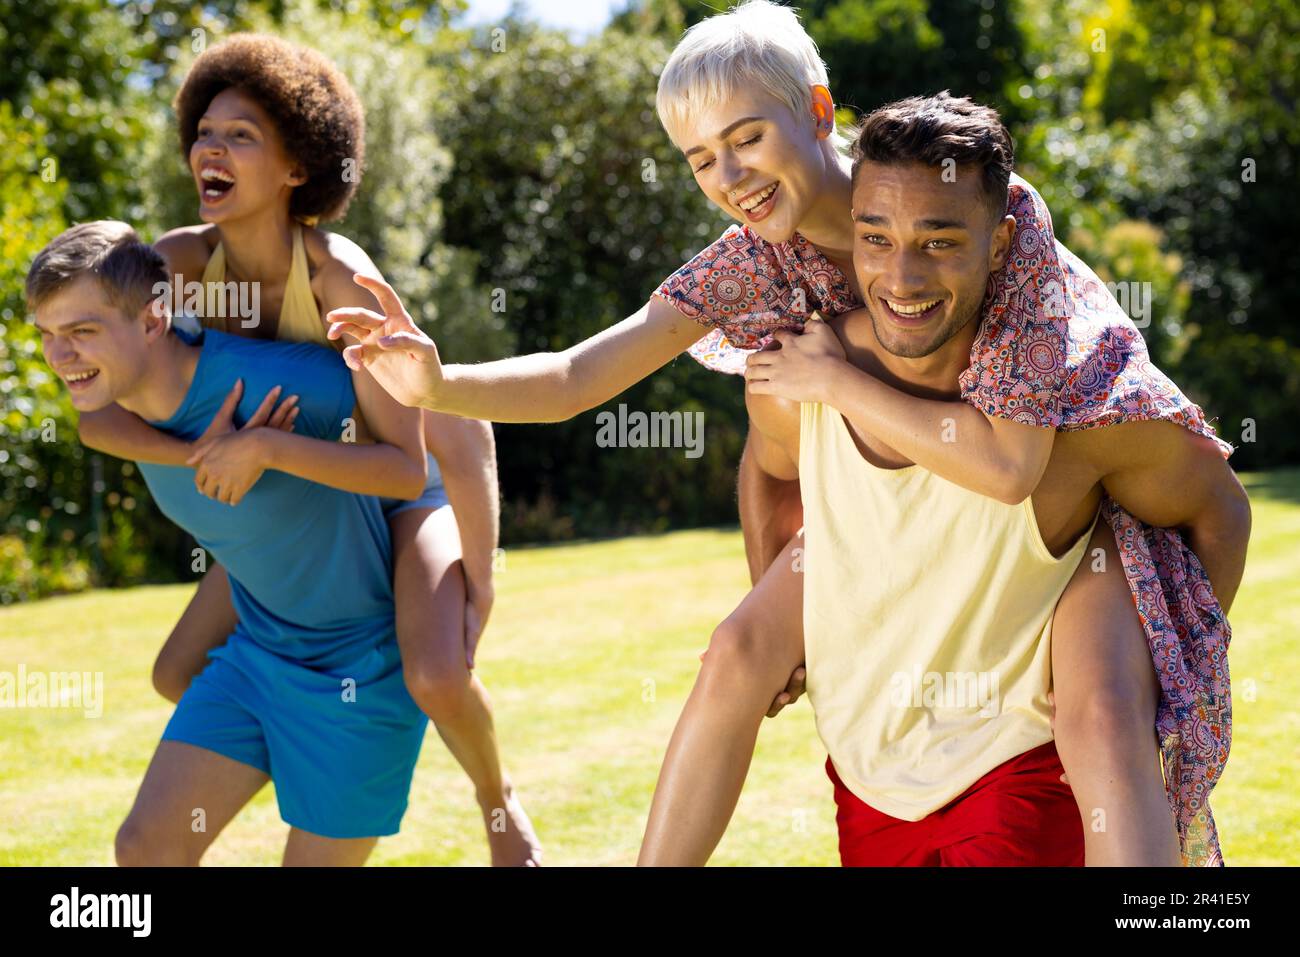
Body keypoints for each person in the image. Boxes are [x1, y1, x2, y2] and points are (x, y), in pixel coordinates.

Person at [325, 3, 1240, 864]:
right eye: (699, 160)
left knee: (1098, 708)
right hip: (893, 490)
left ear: (816, 110)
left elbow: (1012, 462)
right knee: (735, 650)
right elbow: (579, 375)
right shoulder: (754, 261)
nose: (727, 176)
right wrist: (439, 382)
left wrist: (832, 378)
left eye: (745, 138)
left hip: (1064, 479)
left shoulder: (960, 200)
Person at [640, 96, 1251, 865]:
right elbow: (768, 471)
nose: (901, 274)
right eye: (876, 237)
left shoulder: (1084, 414)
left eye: (939, 240)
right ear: (848, 235)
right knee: (732, 650)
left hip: (1019, 770)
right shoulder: (797, 371)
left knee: (1102, 711)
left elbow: (1220, 508)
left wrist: (1169, 668)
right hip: (874, 771)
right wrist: (795, 630)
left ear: (1000, 248)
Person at [72, 34, 539, 865]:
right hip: (292, 503)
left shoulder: (337, 277)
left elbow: (446, 425)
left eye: (241, 135)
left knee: (435, 673)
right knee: (177, 671)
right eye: (204, 132)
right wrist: (214, 455)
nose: (210, 148)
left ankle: (497, 799)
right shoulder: (175, 265)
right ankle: (295, 752)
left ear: (299, 169)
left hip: (403, 490)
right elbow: (102, 397)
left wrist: (482, 572)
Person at [29, 220, 434, 865]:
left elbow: (408, 465)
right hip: (259, 652)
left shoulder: (280, 385)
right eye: (48, 335)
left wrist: (268, 446)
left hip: (361, 670)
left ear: (153, 320)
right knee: (145, 851)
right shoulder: (116, 408)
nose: (60, 356)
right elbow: (93, 428)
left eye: (81, 332)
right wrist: (199, 455)